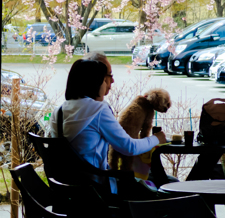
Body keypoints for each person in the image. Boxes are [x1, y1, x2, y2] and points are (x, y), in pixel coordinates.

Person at [48, 59, 164, 190]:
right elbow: (129, 147)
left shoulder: (58, 111)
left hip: (66, 189)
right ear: (94, 82)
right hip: (96, 190)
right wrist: (156, 139)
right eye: (104, 80)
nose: (108, 83)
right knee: (161, 183)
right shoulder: (98, 110)